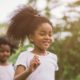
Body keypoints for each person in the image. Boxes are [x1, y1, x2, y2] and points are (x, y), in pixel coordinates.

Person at [7, 5, 58, 80]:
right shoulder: (24, 56)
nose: (47, 37)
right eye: (42, 34)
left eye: (50, 34)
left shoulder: (53, 57)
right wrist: (29, 71)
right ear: (31, 37)